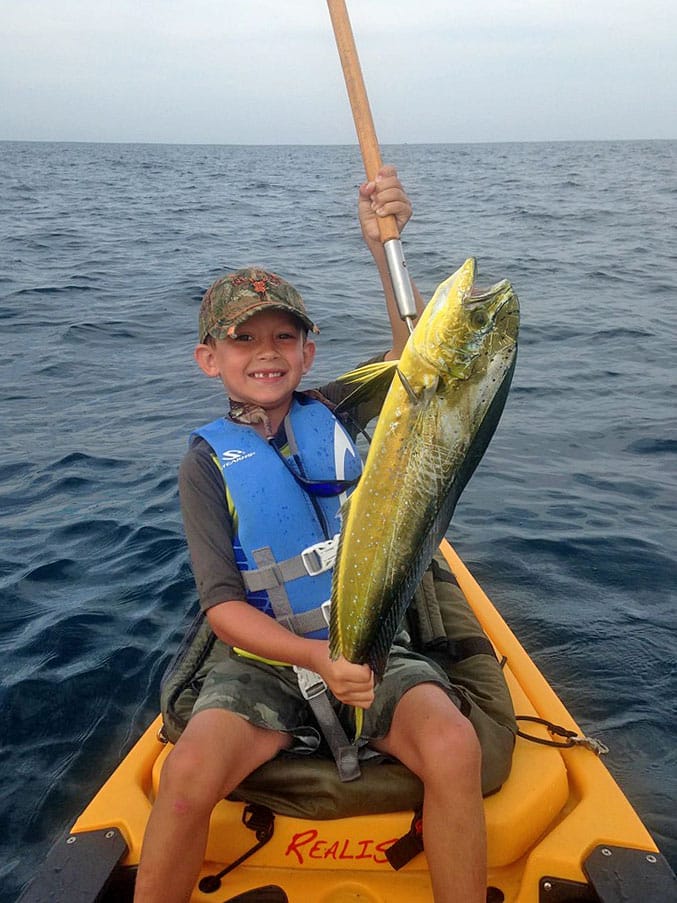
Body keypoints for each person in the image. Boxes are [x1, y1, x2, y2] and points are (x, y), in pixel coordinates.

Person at [134, 167, 487, 903]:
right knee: (184, 778)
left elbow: (421, 367)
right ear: (211, 359)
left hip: (370, 642)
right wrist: (312, 658)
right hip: (261, 658)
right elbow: (222, 609)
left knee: (454, 747)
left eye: (283, 337)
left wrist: (381, 245)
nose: (266, 352)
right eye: (243, 340)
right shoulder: (205, 464)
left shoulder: (340, 407)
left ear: (307, 352)